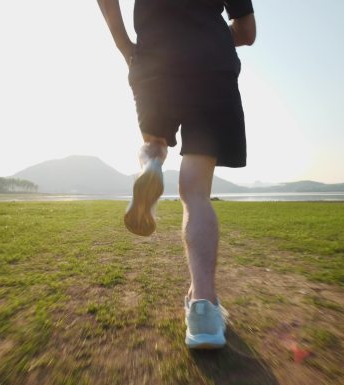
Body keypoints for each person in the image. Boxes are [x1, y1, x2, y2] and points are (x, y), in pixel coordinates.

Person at [97, 0, 255, 349]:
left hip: (153, 63)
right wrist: (209, 34)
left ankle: (150, 165)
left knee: (153, 145)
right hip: (211, 68)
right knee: (195, 193)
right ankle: (203, 311)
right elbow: (246, 31)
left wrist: (126, 47)